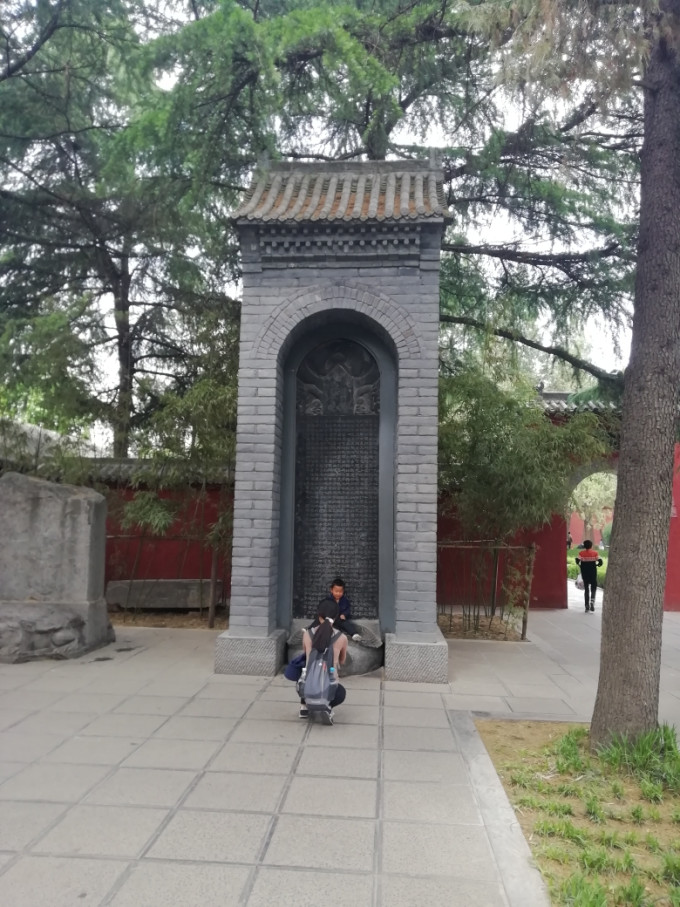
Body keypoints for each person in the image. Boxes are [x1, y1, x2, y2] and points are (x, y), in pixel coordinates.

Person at [299, 599, 348, 722]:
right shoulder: (342, 638)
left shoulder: (307, 634)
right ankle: (327, 706)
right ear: (335, 617)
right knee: (341, 692)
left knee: (303, 671)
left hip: (308, 686)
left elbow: (305, 655)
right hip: (328, 686)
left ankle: (304, 705)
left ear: (319, 615)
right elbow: (342, 661)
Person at [314, 577, 361, 641]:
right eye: (336, 591)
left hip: (339, 619)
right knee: (320, 621)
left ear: (343, 591)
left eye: (340, 592)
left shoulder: (345, 600)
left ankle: (354, 634)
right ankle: (310, 630)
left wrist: (344, 614)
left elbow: (348, 610)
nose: (338, 593)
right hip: (330, 619)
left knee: (346, 624)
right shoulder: (328, 600)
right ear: (331, 590)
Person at [575, 539, 603, 613]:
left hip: (585, 573)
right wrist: (598, 564)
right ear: (591, 546)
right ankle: (592, 601)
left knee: (586, 588)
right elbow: (600, 561)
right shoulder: (595, 553)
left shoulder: (581, 553)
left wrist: (579, 563)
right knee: (593, 587)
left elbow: (577, 560)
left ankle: (587, 606)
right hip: (592, 572)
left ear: (584, 546)